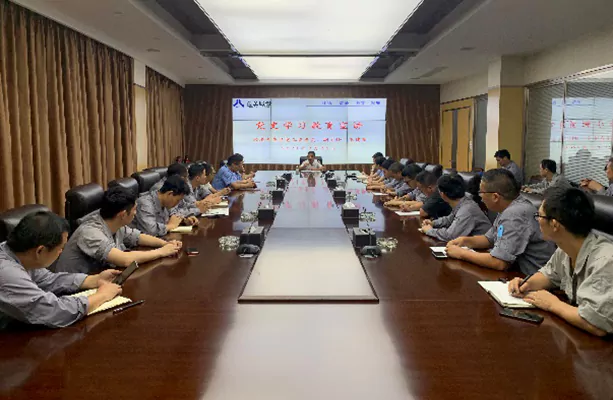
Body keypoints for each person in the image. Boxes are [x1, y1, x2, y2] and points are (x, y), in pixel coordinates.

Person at [508, 187, 613, 337]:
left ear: (554, 224)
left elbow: (597, 325)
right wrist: (526, 284)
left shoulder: (606, 260)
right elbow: (549, 275)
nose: (537, 220)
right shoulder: (565, 248)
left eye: (539, 216)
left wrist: (552, 304)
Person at [0, 212, 122, 328]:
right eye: (60, 248)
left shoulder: (18, 254)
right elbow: (52, 311)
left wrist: (94, 280)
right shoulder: (7, 273)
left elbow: (47, 280)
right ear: (40, 250)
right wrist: (102, 295)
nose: (61, 252)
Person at [446, 169, 555, 274]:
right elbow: (489, 239)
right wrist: (465, 241)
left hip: (532, 277)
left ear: (495, 197)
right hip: (517, 272)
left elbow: (499, 262)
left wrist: (461, 253)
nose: (481, 198)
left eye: (481, 192)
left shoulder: (514, 214)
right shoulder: (508, 207)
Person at [55, 186, 182, 275]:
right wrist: (161, 252)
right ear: (123, 214)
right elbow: (124, 259)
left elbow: (138, 237)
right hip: (71, 292)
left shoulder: (114, 223)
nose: (135, 213)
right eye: (134, 210)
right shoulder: (90, 232)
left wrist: (166, 244)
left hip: (97, 279)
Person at [421, 174, 492, 241]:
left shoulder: (466, 209)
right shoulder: (462, 200)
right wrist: (433, 223)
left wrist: (430, 231)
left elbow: (450, 236)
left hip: (483, 247)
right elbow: (450, 219)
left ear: (442, 194)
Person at [132, 175, 197, 237]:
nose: (177, 204)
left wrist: (184, 220)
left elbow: (174, 214)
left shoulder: (166, 203)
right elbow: (150, 230)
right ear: (170, 194)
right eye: (177, 200)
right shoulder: (145, 203)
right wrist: (169, 226)